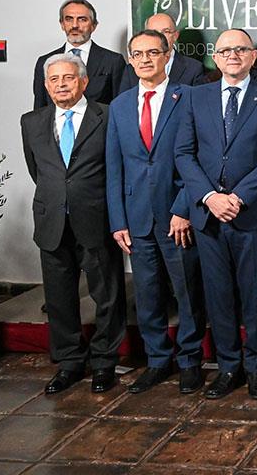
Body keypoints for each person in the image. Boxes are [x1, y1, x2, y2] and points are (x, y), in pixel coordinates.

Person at [174, 29, 257, 400]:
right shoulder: (196, 97)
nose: (233, 55)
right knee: (218, 296)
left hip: (251, 215)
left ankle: (256, 367)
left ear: (253, 56)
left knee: (254, 296)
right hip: (208, 217)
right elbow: (183, 154)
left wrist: (237, 197)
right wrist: (209, 197)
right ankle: (227, 367)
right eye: (225, 50)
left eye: (241, 49)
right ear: (215, 57)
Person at [106, 29, 206, 395]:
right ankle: (158, 360)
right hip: (137, 218)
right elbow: (114, 167)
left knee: (187, 292)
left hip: (178, 216)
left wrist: (185, 208)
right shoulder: (119, 106)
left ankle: (190, 361)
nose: (145, 59)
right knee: (147, 295)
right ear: (130, 60)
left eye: (152, 52)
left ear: (167, 55)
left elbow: (200, 158)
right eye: (138, 54)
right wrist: (118, 220)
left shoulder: (189, 97)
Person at [21, 54, 126, 394]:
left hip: (96, 217)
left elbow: (117, 168)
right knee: (59, 298)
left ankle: (104, 362)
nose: (61, 84)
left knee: (107, 295)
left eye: (68, 78)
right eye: (54, 79)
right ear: (46, 85)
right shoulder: (31, 121)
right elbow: (38, 170)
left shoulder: (107, 115)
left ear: (84, 81)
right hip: (52, 220)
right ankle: (69, 362)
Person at [33, 0, 126, 109]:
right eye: (69, 19)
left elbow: (121, 107)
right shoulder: (44, 62)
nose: (75, 25)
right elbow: (40, 110)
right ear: (62, 24)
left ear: (94, 25)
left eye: (82, 19)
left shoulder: (113, 61)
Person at [119, 13, 206, 91]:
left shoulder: (193, 69)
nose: (159, 36)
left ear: (175, 35)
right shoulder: (131, 70)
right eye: (153, 32)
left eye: (166, 31)